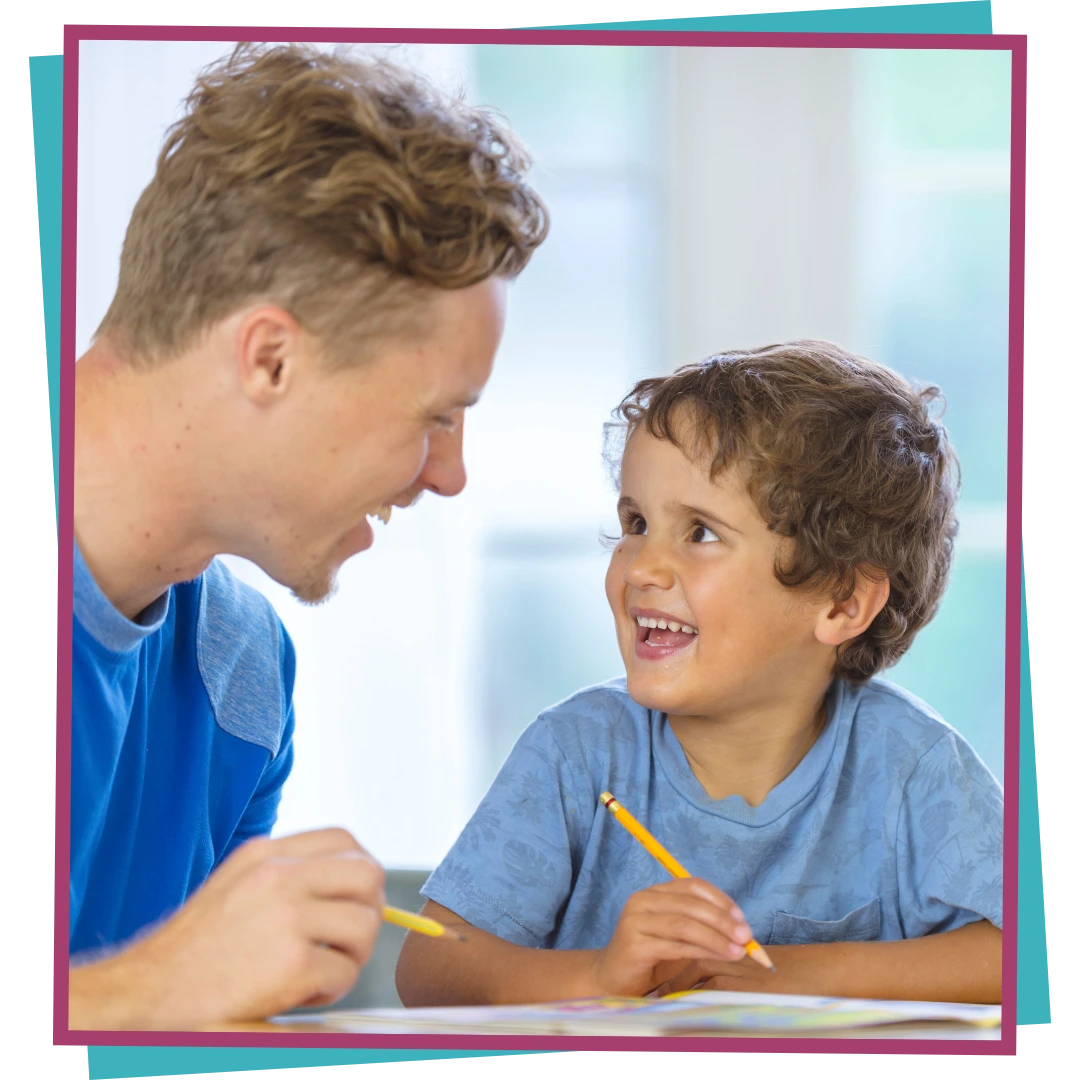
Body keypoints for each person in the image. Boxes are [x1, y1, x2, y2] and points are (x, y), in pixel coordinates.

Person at [68, 41, 548, 1030]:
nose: (450, 476)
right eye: (435, 415)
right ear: (271, 359)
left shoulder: (243, 674)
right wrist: (157, 986)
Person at [396, 340, 1004, 1007]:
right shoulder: (577, 752)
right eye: (635, 523)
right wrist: (597, 979)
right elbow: (429, 969)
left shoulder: (914, 766)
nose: (642, 567)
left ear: (841, 602)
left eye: (700, 533)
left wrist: (792, 978)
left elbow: (1021, 960)